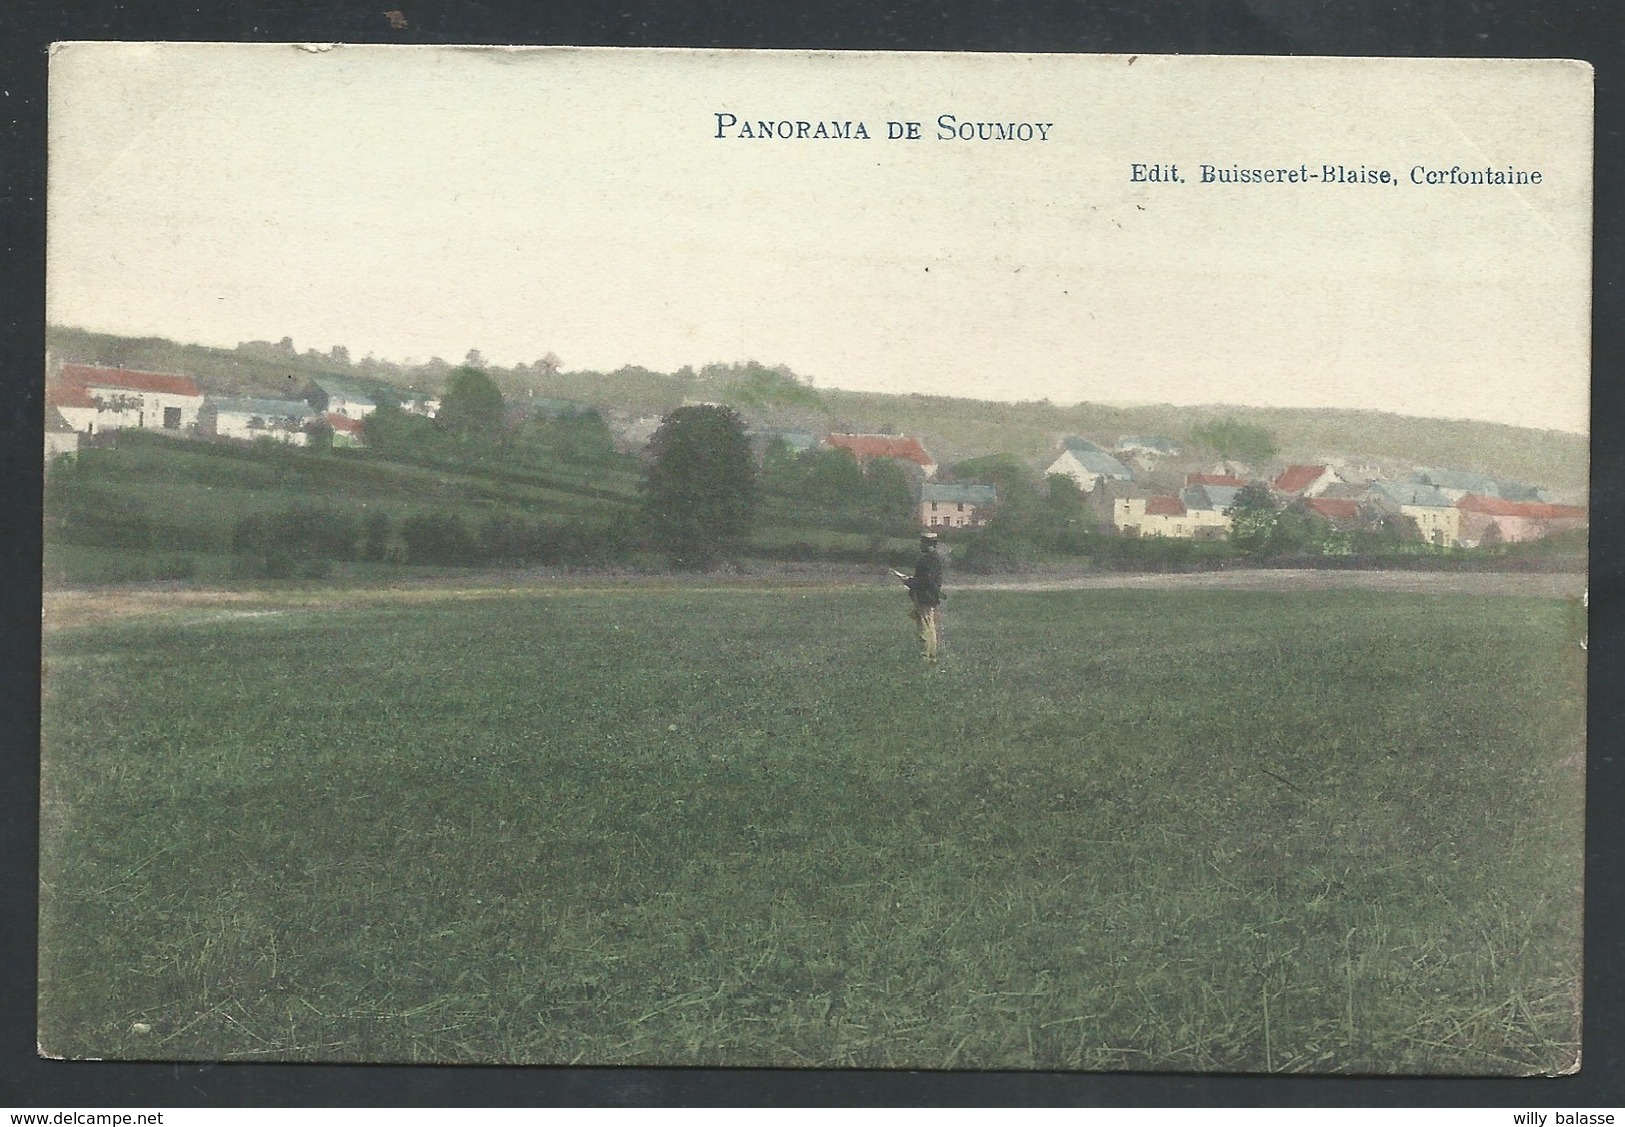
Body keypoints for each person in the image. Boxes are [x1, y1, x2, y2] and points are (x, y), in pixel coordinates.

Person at [895, 531, 946, 664]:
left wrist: (909, 581)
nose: (921, 545)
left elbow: (926, 581)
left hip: (926, 597)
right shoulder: (931, 559)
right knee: (923, 624)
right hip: (924, 597)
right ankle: (928, 655)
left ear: (930, 544)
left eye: (923, 543)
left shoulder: (931, 560)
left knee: (926, 628)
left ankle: (928, 657)